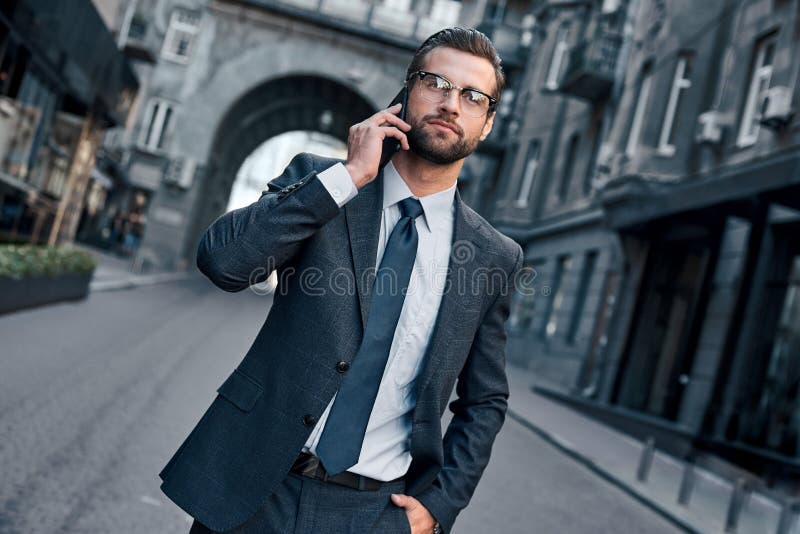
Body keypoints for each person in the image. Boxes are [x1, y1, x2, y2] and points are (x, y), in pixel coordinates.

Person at [159, 27, 524, 534]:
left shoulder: (494, 258)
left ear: (486, 123)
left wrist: (438, 507)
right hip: (255, 491)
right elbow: (224, 263)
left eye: (472, 96)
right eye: (436, 82)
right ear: (405, 93)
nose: (450, 103)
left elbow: (485, 400)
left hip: (374, 514)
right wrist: (348, 176)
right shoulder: (323, 185)